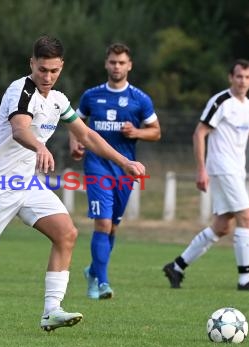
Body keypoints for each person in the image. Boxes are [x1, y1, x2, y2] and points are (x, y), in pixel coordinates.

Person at [0, 35, 146, 332]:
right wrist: (41, 147)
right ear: (32, 63)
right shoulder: (19, 90)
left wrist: (124, 162)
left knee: (66, 234)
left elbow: (87, 136)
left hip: (27, 184)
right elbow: (20, 129)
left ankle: (51, 310)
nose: (47, 77)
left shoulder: (58, 100)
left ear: (62, 67)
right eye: (42, 69)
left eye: (54, 71)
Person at [162, 59, 249, 290]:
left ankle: (176, 267)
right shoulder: (221, 102)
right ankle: (245, 279)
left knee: (222, 226)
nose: (243, 81)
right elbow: (199, 134)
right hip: (221, 167)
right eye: (239, 76)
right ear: (231, 77)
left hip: (237, 170)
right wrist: (201, 169)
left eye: (247, 77)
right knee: (247, 218)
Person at [69, 43, 161, 300]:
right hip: (97, 167)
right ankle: (104, 283)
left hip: (125, 170)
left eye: (121, 62)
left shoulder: (140, 99)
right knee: (103, 222)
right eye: (112, 62)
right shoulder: (91, 96)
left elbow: (156, 131)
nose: (117, 67)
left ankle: (92, 272)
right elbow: (74, 124)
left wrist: (137, 132)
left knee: (113, 228)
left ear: (129, 65)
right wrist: (75, 144)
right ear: (106, 64)